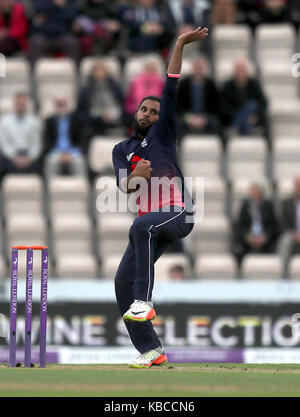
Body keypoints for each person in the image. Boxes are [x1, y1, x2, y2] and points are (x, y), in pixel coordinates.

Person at [113, 26, 208, 368]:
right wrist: (135, 176)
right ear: (135, 113)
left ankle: (145, 300)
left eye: (154, 112)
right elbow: (124, 185)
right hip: (153, 222)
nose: (149, 114)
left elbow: (171, 82)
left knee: (141, 227)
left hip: (179, 212)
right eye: (144, 110)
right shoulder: (121, 149)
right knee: (121, 281)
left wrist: (179, 42)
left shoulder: (164, 135)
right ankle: (150, 350)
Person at [176, 56, 223, 145]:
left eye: (200, 68)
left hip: (206, 116)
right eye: (196, 68)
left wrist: (204, 118)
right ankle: (179, 151)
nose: (198, 71)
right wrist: (189, 118)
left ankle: (214, 148)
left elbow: (216, 106)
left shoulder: (211, 84)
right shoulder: (183, 84)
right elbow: (178, 106)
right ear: (192, 69)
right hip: (188, 116)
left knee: (215, 123)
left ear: (204, 69)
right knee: (178, 123)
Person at [232, 183, 278, 266]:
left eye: (255, 190)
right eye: (252, 191)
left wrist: (265, 237)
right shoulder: (245, 205)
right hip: (248, 239)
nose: (253, 193)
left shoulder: (268, 205)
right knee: (237, 247)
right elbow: (241, 225)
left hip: (265, 240)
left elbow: (272, 225)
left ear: (261, 192)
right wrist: (248, 236)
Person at [221, 59, 268, 138]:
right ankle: (246, 131)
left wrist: (256, 117)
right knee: (250, 109)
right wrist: (239, 115)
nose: (240, 73)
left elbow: (263, 103)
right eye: (238, 70)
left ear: (247, 72)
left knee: (252, 105)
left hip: (252, 118)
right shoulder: (228, 86)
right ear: (234, 72)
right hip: (233, 118)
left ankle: (236, 128)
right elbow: (224, 106)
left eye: (242, 70)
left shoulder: (253, 85)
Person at [77, 60, 124, 137]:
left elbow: (121, 104)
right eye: (97, 71)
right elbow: (81, 110)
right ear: (92, 73)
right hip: (93, 121)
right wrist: (99, 116)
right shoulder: (86, 90)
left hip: (113, 118)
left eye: (102, 71)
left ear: (107, 72)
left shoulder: (115, 87)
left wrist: (113, 115)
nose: (100, 74)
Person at [43, 97, 87, 179]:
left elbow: (81, 140)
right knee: (51, 161)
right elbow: (47, 141)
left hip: (73, 151)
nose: (61, 107)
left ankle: (81, 187)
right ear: (56, 106)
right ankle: (50, 188)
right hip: (56, 151)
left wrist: (70, 153)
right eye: (59, 105)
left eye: (63, 104)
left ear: (67, 106)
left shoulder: (76, 120)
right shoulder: (49, 121)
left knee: (79, 161)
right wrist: (60, 155)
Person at [0, 92, 42, 176]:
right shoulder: (4, 121)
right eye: (18, 104)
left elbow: (36, 144)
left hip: (28, 155)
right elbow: (4, 143)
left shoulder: (34, 121)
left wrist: (30, 158)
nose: (20, 107)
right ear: (14, 104)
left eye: (22, 104)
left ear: (26, 105)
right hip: (11, 156)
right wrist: (14, 157)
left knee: (39, 166)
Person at [29, 0, 80, 67]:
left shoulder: (70, 2)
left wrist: (50, 13)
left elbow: (71, 14)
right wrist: (56, 6)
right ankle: (33, 72)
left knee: (72, 42)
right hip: (43, 36)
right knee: (35, 41)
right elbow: (38, 9)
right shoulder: (41, 2)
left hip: (63, 36)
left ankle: (76, 71)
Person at [125, 59, 165, 124]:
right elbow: (129, 100)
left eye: (152, 69)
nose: (150, 72)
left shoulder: (161, 83)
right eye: (148, 69)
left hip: (155, 112)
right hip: (136, 111)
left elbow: (163, 100)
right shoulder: (135, 82)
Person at [278, 177, 300, 277]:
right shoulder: (286, 204)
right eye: (298, 185)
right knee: (285, 240)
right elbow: (283, 224)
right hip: (292, 236)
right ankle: (285, 274)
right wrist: (294, 234)